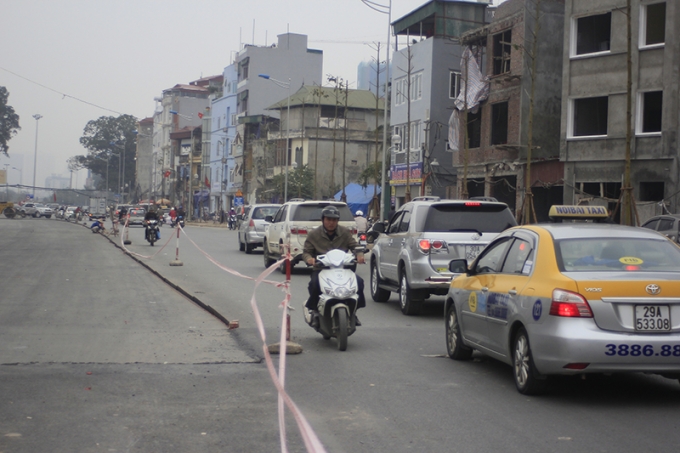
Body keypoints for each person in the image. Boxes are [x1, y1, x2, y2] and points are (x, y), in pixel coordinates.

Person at [302, 205, 366, 327]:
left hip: (343, 269)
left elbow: (355, 246)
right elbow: (306, 252)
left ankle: (353, 312)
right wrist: (309, 259)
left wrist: (359, 254)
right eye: (328, 219)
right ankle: (314, 311)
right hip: (321, 269)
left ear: (337, 221)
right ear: (323, 220)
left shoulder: (345, 232)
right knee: (314, 284)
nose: (331, 222)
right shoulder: (313, 234)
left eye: (334, 220)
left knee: (359, 283)